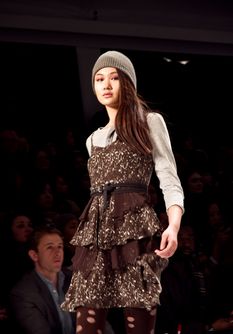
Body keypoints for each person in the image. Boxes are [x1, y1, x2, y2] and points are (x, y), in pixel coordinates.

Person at [61, 50, 184, 334]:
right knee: (86, 327)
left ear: (127, 82)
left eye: (114, 78)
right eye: (99, 79)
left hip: (135, 232)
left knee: (138, 327)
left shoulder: (149, 122)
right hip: (96, 235)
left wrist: (174, 227)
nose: (105, 85)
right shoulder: (93, 140)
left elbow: (169, 178)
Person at [9, 225, 76, 334]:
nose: (57, 252)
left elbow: (99, 322)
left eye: (60, 246)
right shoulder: (23, 293)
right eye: (50, 247)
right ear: (34, 255)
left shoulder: (75, 279)